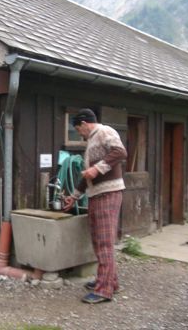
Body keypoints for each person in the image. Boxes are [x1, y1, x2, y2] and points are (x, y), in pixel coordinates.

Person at [63, 108, 127, 304]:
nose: (79, 134)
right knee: (99, 241)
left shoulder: (105, 132)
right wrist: (74, 197)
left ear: (84, 123)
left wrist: (96, 169)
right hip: (96, 194)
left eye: (78, 130)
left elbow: (120, 152)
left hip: (108, 193)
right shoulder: (91, 140)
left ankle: (104, 290)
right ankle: (110, 281)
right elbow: (87, 175)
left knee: (105, 242)